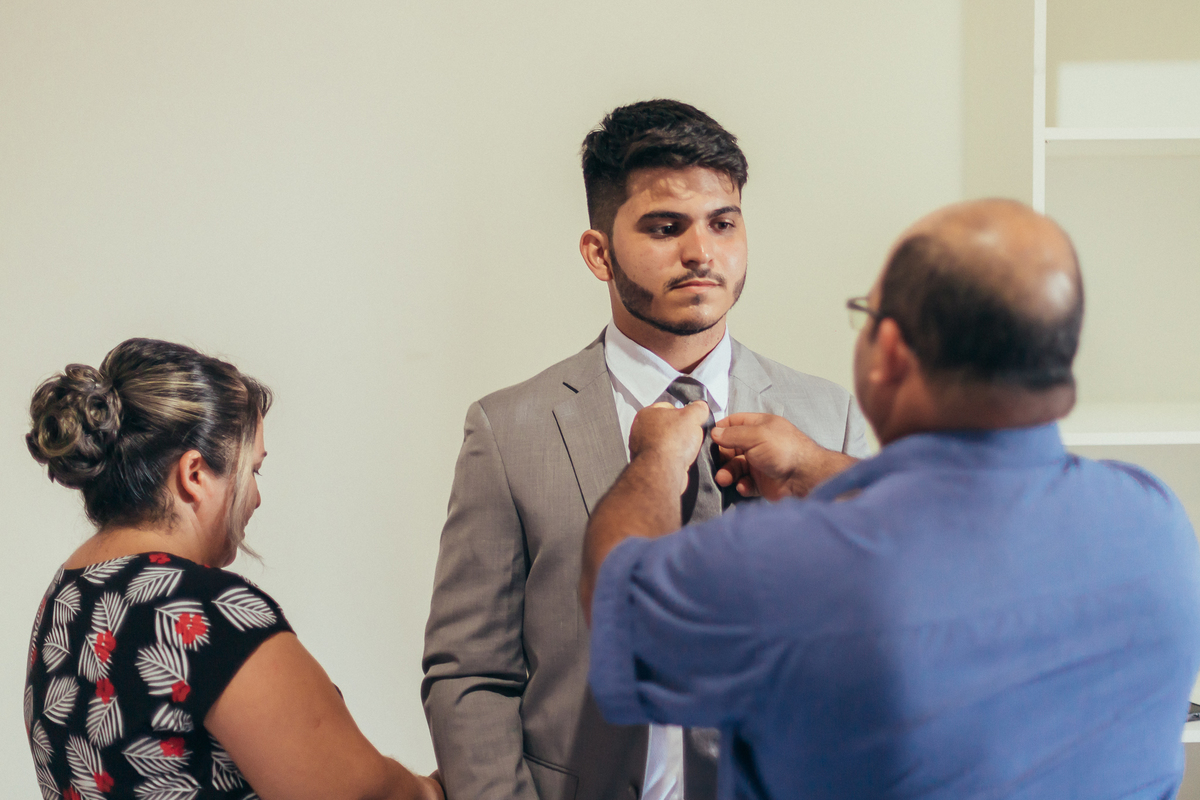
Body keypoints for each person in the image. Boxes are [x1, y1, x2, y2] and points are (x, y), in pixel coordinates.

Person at [579, 198, 1200, 799]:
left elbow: (616, 597)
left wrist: (658, 458)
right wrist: (820, 471)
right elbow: (958, 535)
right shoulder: (1156, 522)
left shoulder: (787, 567)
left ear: (892, 352)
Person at [422, 99, 868, 800]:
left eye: (723, 223)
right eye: (666, 228)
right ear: (600, 253)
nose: (701, 252)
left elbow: (888, 637)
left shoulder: (826, 418)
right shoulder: (509, 430)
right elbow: (470, 671)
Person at [24, 338, 441, 800]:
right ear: (195, 474)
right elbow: (358, 795)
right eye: (253, 471)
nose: (256, 498)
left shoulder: (65, 597)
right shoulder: (203, 610)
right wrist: (429, 790)